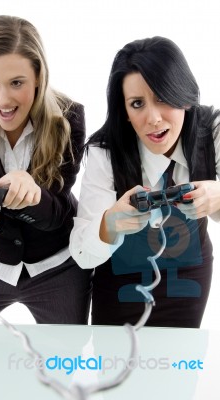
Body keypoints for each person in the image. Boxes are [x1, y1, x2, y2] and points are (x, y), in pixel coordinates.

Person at [70, 36, 220, 328]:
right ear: (124, 111)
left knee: (180, 368)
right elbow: (82, 255)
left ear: (185, 96)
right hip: (119, 285)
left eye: (163, 97)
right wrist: (109, 223)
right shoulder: (105, 152)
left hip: (190, 279)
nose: (153, 118)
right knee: (114, 368)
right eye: (137, 104)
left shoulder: (212, 131)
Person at [0, 15, 93, 324]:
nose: (2, 100)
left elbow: (57, 213)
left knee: (62, 363)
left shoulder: (69, 118)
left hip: (56, 265)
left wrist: (32, 194)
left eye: (16, 83)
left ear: (38, 78)